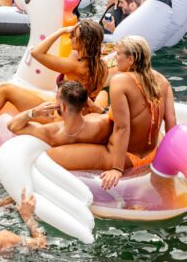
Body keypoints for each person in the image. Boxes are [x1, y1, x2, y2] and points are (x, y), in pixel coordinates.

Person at [0, 20, 108, 144]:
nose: (70, 38)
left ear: (84, 42)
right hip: (79, 112)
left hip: (61, 117)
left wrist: (60, 31)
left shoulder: (75, 66)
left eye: (74, 36)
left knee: (4, 89)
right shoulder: (101, 65)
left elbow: (36, 52)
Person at [47, 36, 176, 189]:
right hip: (152, 153)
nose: (115, 57)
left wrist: (117, 169)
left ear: (131, 59)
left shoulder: (120, 81)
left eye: (118, 54)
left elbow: (123, 128)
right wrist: (170, 160)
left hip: (124, 157)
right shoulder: (162, 80)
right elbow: (171, 122)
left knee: (49, 157)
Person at [8, 80, 112, 146]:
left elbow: (13, 126)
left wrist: (35, 112)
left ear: (63, 106)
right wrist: (98, 109)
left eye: (56, 98)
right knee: (103, 93)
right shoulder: (101, 122)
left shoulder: (52, 133)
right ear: (85, 103)